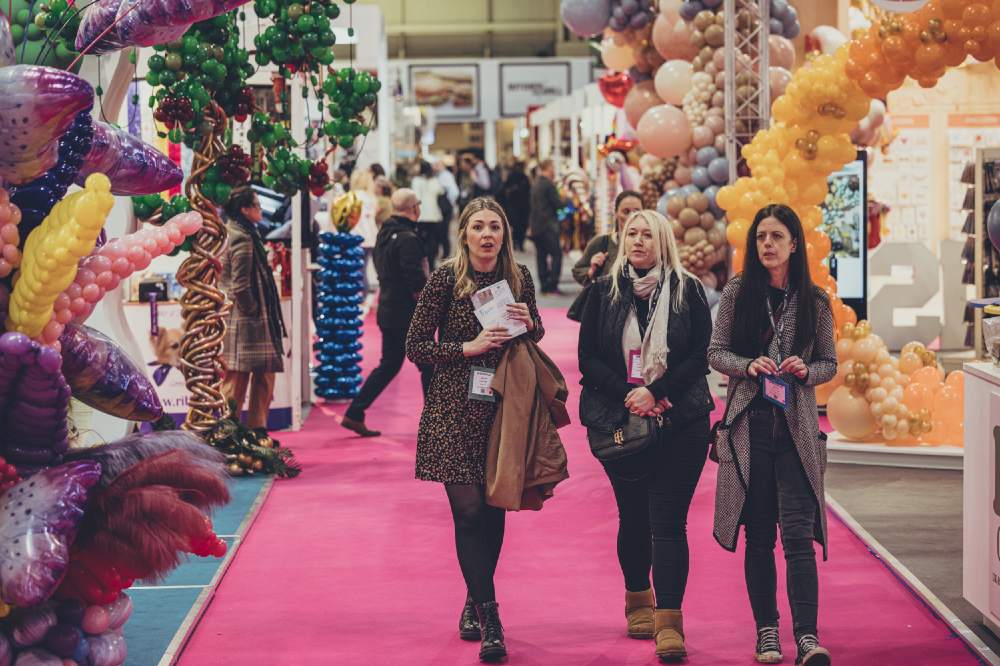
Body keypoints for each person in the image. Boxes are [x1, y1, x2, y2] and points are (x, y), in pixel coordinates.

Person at [406, 197, 544, 663]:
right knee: (466, 512)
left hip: (503, 409)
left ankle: (473, 597)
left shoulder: (519, 276)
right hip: (451, 408)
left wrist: (528, 323)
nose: (487, 235)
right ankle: (491, 615)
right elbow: (416, 345)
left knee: (493, 507)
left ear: (504, 234)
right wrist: (467, 347)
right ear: (464, 233)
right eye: (479, 227)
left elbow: (537, 331)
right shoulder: (447, 277)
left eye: (495, 228)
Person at [578, 210, 713, 662]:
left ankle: (670, 621)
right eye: (631, 233)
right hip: (621, 421)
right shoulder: (604, 292)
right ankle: (639, 599)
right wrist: (631, 394)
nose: (638, 241)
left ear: (664, 242)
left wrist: (657, 390)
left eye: (647, 234)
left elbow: (701, 355)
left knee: (669, 520)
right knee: (633, 516)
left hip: (683, 420)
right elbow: (589, 360)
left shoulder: (688, 289)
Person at [708, 204, 837, 666]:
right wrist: (747, 365)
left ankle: (807, 637)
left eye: (776, 236)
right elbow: (716, 352)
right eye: (761, 236)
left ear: (794, 244)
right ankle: (767, 632)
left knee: (798, 537)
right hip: (750, 431)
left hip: (796, 434)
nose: (767, 244)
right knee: (759, 536)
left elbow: (830, 363)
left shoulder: (815, 300)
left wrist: (806, 370)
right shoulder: (740, 292)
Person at [341, 189, 433, 437]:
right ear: (413, 208)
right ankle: (435, 422)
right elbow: (416, 279)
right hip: (407, 313)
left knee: (389, 365)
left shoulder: (385, 232)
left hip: (389, 309)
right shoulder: (408, 239)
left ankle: (355, 412)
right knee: (428, 365)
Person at [219, 189, 287, 430]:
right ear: (245, 210)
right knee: (239, 379)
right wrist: (253, 310)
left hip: (246, 319)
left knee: (256, 376)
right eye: (257, 205)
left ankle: (254, 431)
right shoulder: (242, 237)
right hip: (247, 321)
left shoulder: (238, 233)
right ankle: (233, 433)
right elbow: (240, 284)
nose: (261, 210)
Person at [572, 190, 644, 287]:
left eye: (636, 211)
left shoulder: (650, 243)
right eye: (626, 211)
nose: (631, 216)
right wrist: (591, 271)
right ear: (616, 213)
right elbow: (578, 271)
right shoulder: (601, 243)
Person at [528, 159, 564, 294]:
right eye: (553, 167)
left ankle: (544, 285)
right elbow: (558, 204)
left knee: (541, 255)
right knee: (557, 255)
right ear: (548, 168)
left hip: (536, 226)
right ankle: (553, 285)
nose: (554, 170)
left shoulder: (535, 183)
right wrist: (566, 202)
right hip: (548, 225)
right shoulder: (549, 184)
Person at [411, 161, 447, 269]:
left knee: (421, 240)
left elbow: (415, 196)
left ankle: (422, 262)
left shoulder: (416, 181)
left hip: (420, 215)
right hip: (434, 215)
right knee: (433, 241)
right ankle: (431, 263)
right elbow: (441, 191)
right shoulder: (435, 180)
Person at [349, 168, 379, 293]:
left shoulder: (352, 197)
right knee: (363, 268)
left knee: (356, 270)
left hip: (356, 236)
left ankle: (360, 296)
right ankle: (363, 295)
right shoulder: (371, 198)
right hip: (370, 237)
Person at [498, 160, 531, 251]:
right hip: (521, 206)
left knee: (516, 225)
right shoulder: (524, 178)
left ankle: (516, 242)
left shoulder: (511, 177)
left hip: (513, 206)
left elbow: (503, 191)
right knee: (520, 225)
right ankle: (519, 243)